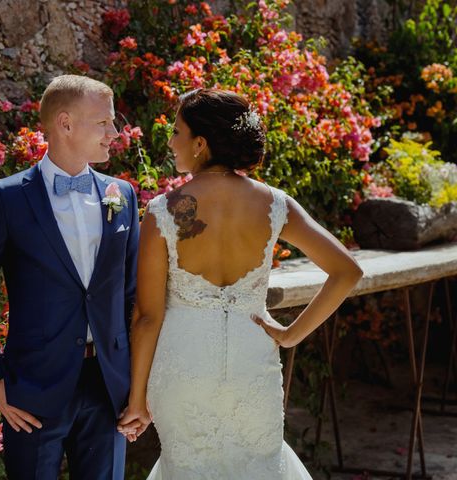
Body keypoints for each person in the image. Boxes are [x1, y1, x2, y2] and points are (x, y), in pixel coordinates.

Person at [117, 88, 363, 479]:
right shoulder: (274, 204)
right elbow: (347, 271)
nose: (170, 141)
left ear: (200, 144)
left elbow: (147, 317)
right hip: (253, 362)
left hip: (184, 366)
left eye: (177, 132)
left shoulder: (166, 212)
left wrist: (136, 401)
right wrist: (290, 335)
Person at [0, 74, 139, 480]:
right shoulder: (7, 198)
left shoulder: (122, 196)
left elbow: (132, 296)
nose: (114, 133)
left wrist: (137, 386)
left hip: (109, 388)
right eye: (103, 123)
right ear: (66, 124)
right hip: (32, 389)